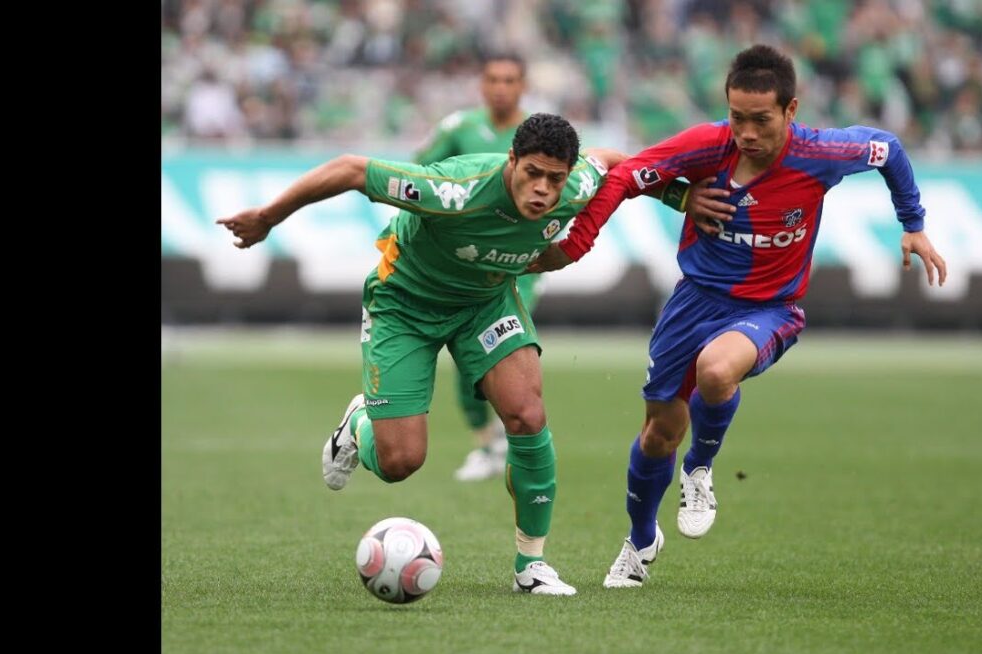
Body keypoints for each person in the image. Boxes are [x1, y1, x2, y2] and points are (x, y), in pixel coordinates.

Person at [216, 113, 699, 596]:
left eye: (555, 179)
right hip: (404, 304)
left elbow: (615, 163)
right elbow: (350, 169)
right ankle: (359, 423)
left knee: (528, 415)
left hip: (484, 304)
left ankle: (531, 565)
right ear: (512, 161)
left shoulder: (575, 184)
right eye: (532, 173)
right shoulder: (454, 190)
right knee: (400, 461)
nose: (543, 191)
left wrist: (680, 197)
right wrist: (269, 216)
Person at [526, 45, 948, 589]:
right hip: (693, 301)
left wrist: (912, 221)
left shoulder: (822, 154)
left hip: (771, 309)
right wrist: (595, 235)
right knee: (658, 433)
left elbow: (888, 148)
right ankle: (639, 540)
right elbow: (628, 173)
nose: (746, 132)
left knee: (717, 371)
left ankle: (699, 469)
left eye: (761, 119)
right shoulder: (706, 145)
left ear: (791, 111)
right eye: (737, 117)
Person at [412, 52, 533, 482]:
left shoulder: (536, 133)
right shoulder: (460, 129)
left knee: (503, 348)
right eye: (493, 79)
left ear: (523, 85)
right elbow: (419, 174)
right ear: (482, 85)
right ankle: (487, 441)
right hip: (464, 264)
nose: (501, 87)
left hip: (520, 265)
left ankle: (513, 436)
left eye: (510, 79)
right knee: (468, 360)